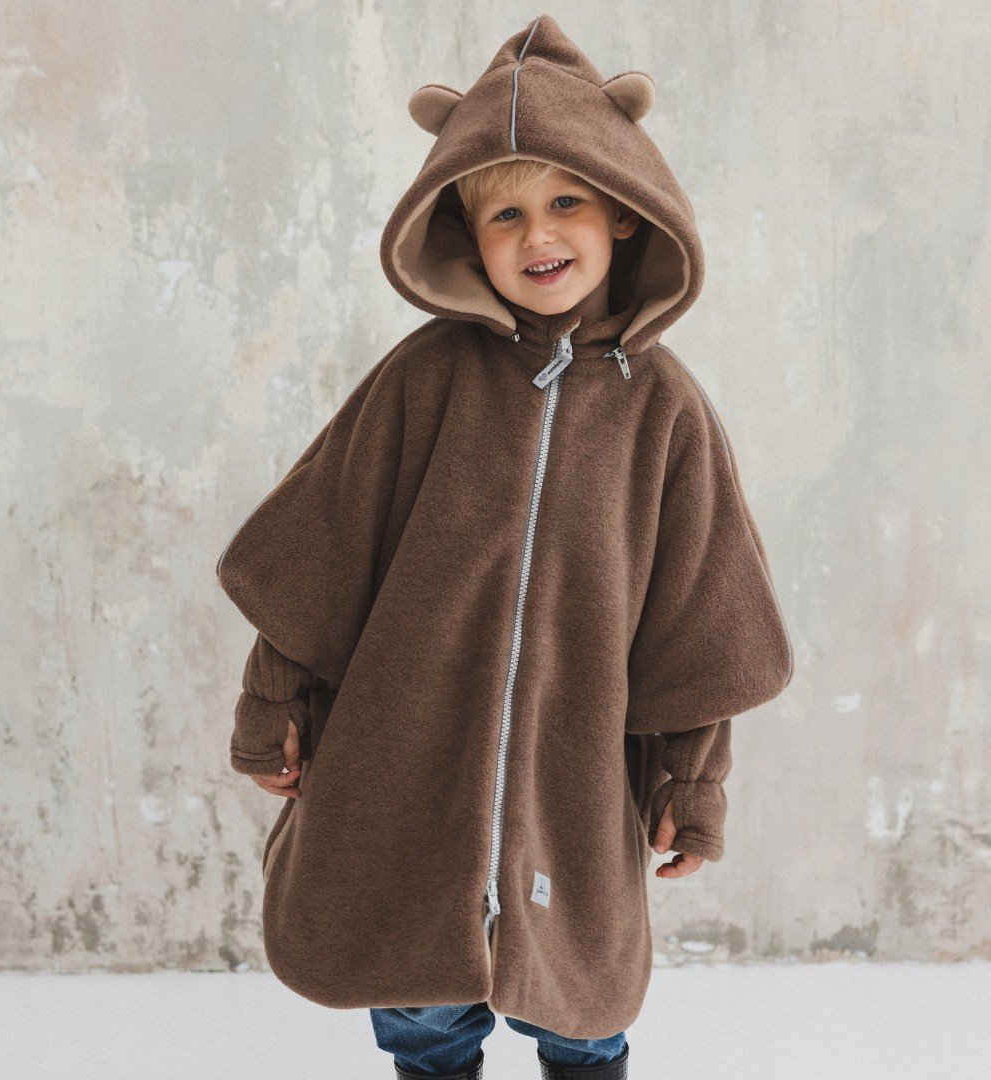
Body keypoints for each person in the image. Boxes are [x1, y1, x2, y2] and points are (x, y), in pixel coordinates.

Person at [215, 13, 794, 1080]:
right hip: (408, 754)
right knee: (420, 996)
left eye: (567, 201)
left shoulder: (663, 410)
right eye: (507, 213)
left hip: (575, 772)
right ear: (464, 235)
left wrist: (694, 780)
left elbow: (700, 623)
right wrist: (272, 705)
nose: (540, 236)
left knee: (582, 999)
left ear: (623, 213)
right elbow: (317, 561)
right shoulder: (422, 380)